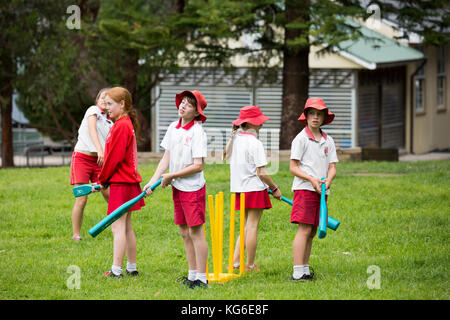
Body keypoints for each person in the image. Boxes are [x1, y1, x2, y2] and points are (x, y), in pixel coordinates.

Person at [144, 90, 209, 289]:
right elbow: (167, 158)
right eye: (182, 102)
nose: (182, 106)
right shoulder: (173, 127)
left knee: (195, 232)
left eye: (189, 104)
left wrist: (171, 176)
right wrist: (153, 180)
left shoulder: (198, 132)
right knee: (183, 231)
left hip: (192, 188)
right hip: (178, 187)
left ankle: (202, 278)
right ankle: (192, 275)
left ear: (196, 112)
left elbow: (198, 165)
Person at [223, 105, 282, 272]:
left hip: (239, 189)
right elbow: (262, 173)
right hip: (254, 188)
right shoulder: (255, 143)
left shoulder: (236, 141)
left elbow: (224, 156)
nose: (262, 124)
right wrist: (274, 187)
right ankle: (249, 264)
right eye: (259, 121)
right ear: (253, 123)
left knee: (246, 226)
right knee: (252, 226)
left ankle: (235, 263)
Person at [289, 97, 338, 281]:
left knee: (312, 231)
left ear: (324, 117)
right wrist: (311, 179)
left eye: (319, 114)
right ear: (306, 116)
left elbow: (332, 166)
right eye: (312, 114)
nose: (315, 117)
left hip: (321, 190)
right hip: (304, 189)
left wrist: (329, 180)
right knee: (304, 229)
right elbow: (293, 167)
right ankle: (297, 272)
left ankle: (305, 270)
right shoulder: (300, 139)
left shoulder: (328, 140)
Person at [98, 87, 145, 278]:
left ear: (122, 104)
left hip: (121, 182)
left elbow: (113, 158)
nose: (106, 107)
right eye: (105, 103)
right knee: (126, 226)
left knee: (117, 227)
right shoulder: (123, 123)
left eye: (110, 104)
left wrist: (103, 179)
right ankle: (131, 267)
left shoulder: (121, 125)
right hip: (127, 182)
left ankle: (116, 271)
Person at [70, 88, 112, 242]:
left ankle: (118, 228)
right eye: (102, 98)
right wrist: (100, 150)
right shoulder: (93, 111)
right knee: (81, 197)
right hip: (82, 158)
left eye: (108, 100)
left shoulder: (109, 122)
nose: (104, 101)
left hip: (99, 161)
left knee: (109, 196)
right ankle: (76, 235)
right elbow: (92, 130)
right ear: (97, 100)